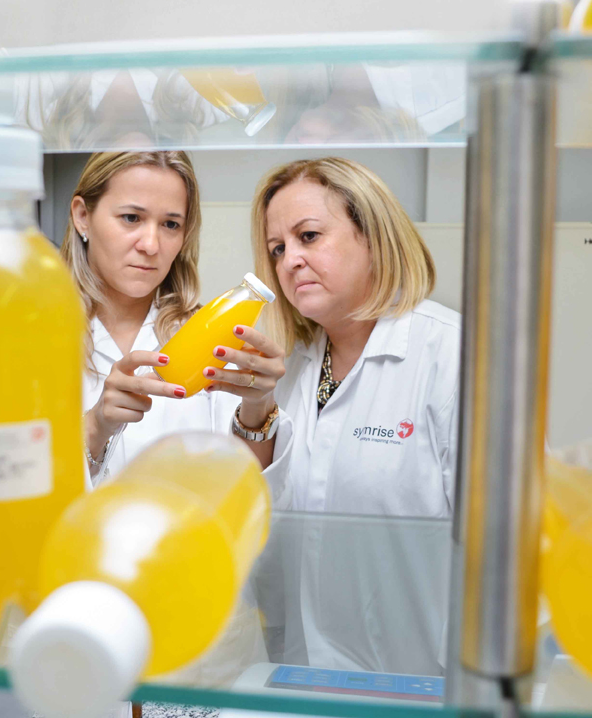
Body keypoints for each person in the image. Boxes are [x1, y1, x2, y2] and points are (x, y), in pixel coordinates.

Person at [249, 157, 460, 675]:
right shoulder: (293, 369)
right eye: (278, 249)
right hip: (301, 676)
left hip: (424, 687)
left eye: (309, 236)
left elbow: (510, 549)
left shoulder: (453, 353)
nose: (290, 260)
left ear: (372, 236)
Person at [60, 150, 290, 494]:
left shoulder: (209, 337)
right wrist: (95, 427)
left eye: (170, 224)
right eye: (131, 218)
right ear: (82, 216)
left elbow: (247, 494)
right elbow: (7, 494)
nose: (151, 245)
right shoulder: (30, 337)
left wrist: (258, 409)